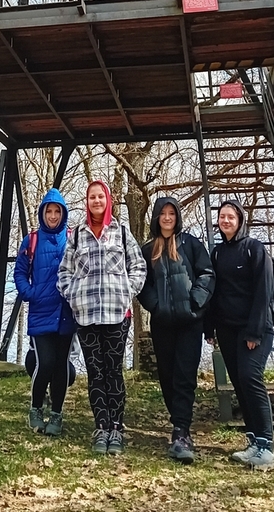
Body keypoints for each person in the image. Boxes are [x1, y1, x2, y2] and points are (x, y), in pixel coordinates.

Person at [57, 180, 146, 456]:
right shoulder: (77, 235)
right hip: (86, 315)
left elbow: (138, 266)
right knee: (95, 372)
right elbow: (64, 272)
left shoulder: (121, 232)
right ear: (87, 202)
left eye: (100, 197)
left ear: (108, 200)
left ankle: (116, 428)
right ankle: (101, 427)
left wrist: (127, 291)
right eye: (92, 197)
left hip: (116, 313)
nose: (96, 201)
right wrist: (72, 295)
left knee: (113, 370)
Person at [138, 196, 215, 464]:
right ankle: (178, 422)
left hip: (189, 323)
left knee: (184, 376)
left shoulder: (191, 244)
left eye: (172, 213)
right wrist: (155, 305)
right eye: (163, 213)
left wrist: (196, 302)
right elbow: (141, 283)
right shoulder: (148, 250)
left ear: (177, 217)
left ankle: (182, 431)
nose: (167, 218)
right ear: (157, 217)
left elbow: (207, 274)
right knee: (167, 376)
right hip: (162, 324)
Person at [205, 200, 274, 469]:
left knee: (250, 378)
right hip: (227, 329)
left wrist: (254, 332)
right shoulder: (217, 253)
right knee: (239, 383)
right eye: (222, 216)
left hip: (253, 329)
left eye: (231, 217)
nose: (225, 221)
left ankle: (267, 446)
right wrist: (209, 327)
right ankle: (254, 442)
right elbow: (214, 293)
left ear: (240, 220)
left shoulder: (254, 249)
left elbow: (264, 291)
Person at [13, 187, 76, 437]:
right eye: (49, 211)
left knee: (61, 365)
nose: (52, 216)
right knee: (45, 362)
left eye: (57, 211)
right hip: (41, 311)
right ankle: (36, 409)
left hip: (67, 312)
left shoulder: (73, 238)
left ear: (63, 213)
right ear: (42, 213)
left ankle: (57, 414)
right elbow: (20, 272)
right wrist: (30, 293)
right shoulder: (32, 240)